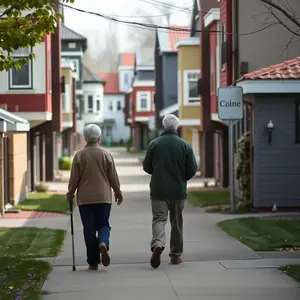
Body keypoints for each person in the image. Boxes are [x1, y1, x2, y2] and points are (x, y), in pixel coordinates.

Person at [143, 114, 197, 268]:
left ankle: (158, 243)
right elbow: (192, 169)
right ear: (177, 127)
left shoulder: (154, 144)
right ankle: (175, 256)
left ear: (163, 126)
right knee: (177, 223)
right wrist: (182, 178)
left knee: (159, 220)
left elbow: (147, 167)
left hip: (159, 190)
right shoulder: (185, 146)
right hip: (178, 191)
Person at [66, 124, 123, 271]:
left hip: (85, 199)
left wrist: (70, 193)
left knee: (89, 229)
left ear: (85, 138)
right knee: (104, 225)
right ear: (99, 137)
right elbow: (113, 177)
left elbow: (74, 179)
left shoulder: (79, 155)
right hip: (103, 197)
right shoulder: (106, 154)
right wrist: (117, 191)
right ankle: (103, 242)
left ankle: (93, 262)